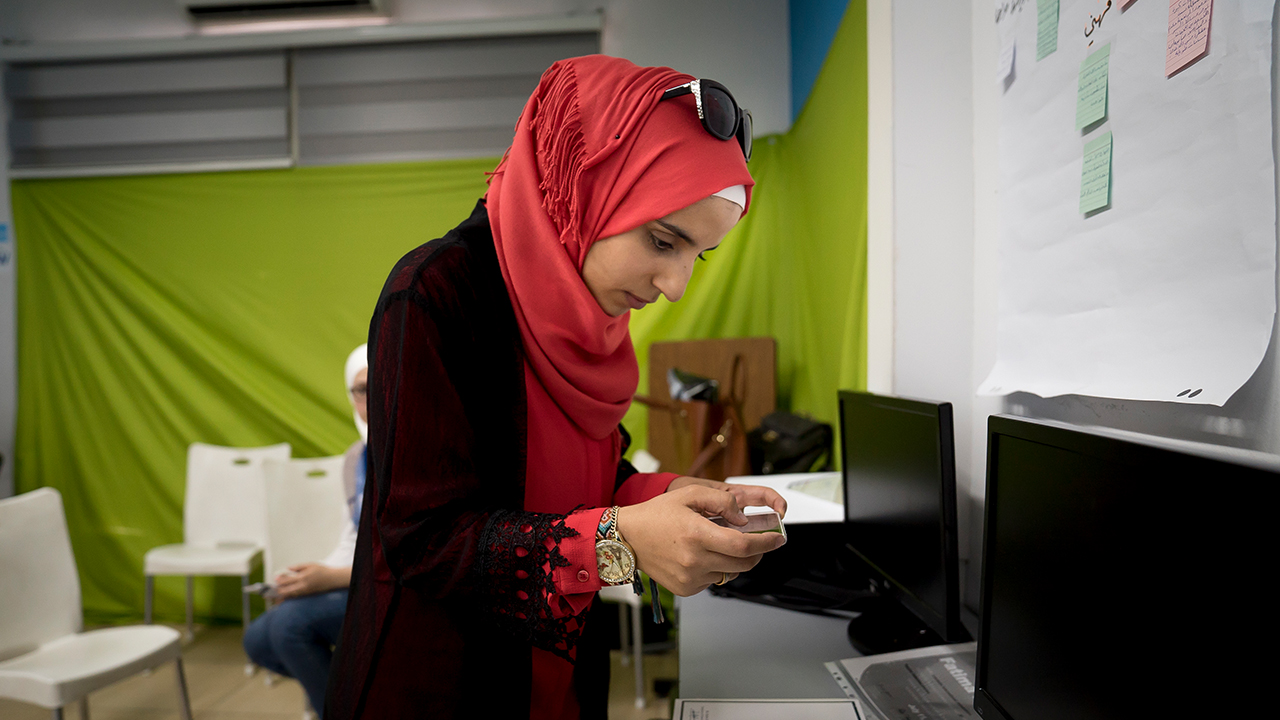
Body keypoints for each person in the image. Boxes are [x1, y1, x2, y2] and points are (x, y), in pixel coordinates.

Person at [325, 55, 788, 720]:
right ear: (581, 184)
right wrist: (620, 542)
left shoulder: (592, 315)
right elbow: (423, 540)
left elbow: (581, 474)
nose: (675, 286)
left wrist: (670, 496)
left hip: (559, 680)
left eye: (697, 255)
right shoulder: (434, 293)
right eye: (663, 240)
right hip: (443, 689)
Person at [243, 344, 368, 717]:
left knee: (287, 629)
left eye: (382, 383)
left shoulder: (411, 449)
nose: (372, 398)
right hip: (360, 579)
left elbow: (416, 554)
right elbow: (355, 535)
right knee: (257, 640)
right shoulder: (356, 458)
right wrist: (305, 580)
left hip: (401, 589)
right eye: (361, 389)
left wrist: (330, 579)